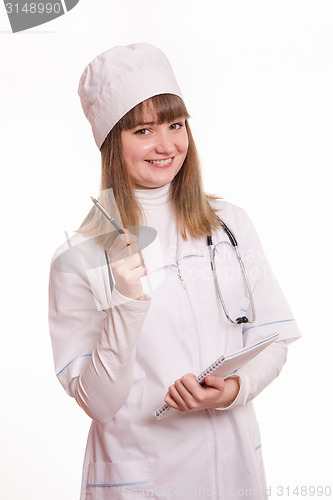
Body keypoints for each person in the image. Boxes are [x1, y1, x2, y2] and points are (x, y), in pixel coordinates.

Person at [48, 43, 301, 500]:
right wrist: (127, 302)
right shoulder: (82, 254)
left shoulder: (229, 224)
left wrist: (232, 390)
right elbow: (98, 403)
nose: (166, 145)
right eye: (143, 130)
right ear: (112, 142)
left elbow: (274, 340)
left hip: (236, 473)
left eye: (175, 125)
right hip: (143, 483)